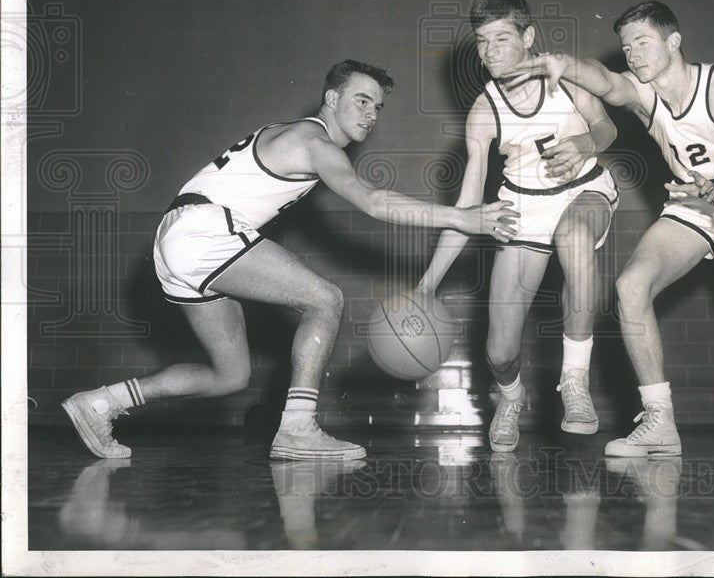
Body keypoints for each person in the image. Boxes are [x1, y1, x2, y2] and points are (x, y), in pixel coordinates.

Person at [62, 60, 518, 461]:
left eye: (377, 107)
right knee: (325, 299)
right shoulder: (313, 141)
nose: (370, 114)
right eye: (361, 100)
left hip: (178, 239)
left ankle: (101, 403)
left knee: (231, 374)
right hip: (203, 230)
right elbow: (373, 202)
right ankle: (298, 429)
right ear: (332, 98)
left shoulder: (295, 135)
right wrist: (466, 216)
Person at [507, 0, 714, 458]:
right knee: (631, 286)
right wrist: (565, 64)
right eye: (627, 46)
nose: (633, 54)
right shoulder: (643, 91)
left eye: (643, 42)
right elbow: (606, 80)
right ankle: (659, 421)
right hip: (690, 204)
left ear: (673, 42)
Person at [416, 0, 619, 452]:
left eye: (501, 39)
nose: (490, 52)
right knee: (499, 352)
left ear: (528, 36)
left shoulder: (563, 78)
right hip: (523, 206)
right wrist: (428, 283)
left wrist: (586, 145)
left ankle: (574, 381)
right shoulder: (484, 112)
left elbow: (607, 126)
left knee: (573, 238)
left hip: (583, 191)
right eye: (482, 42)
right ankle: (510, 396)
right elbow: (467, 207)